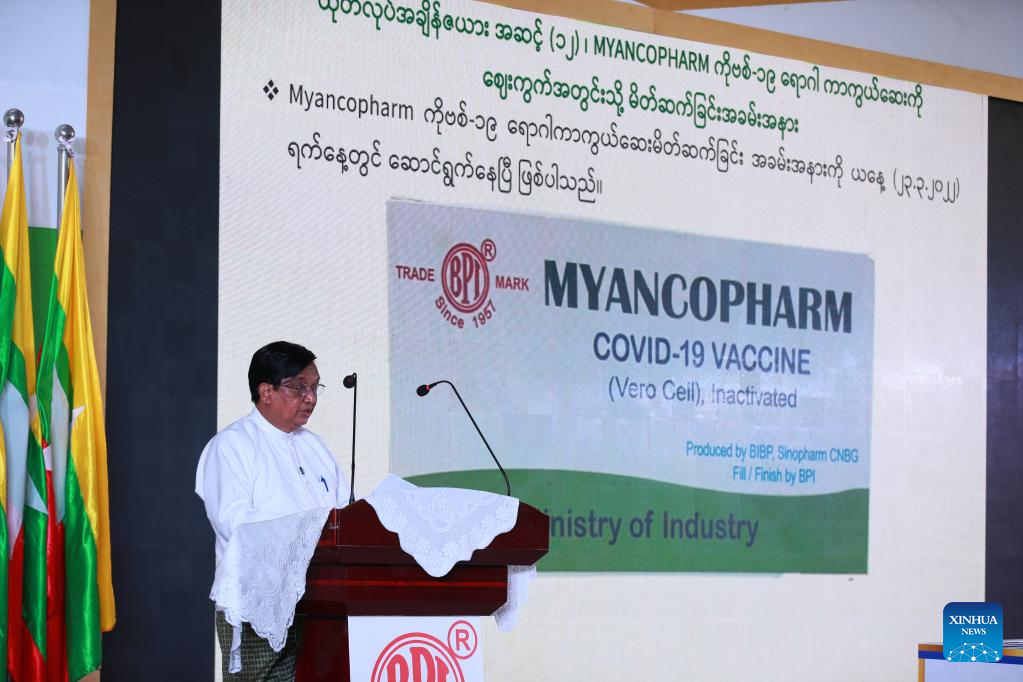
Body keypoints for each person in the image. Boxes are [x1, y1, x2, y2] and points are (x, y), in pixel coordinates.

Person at [195, 340, 349, 681]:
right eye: (300, 388)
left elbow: (345, 517)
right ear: (266, 391)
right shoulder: (232, 445)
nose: (311, 398)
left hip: (321, 600)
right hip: (258, 603)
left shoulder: (315, 447)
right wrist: (305, 530)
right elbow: (235, 524)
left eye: (315, 387)